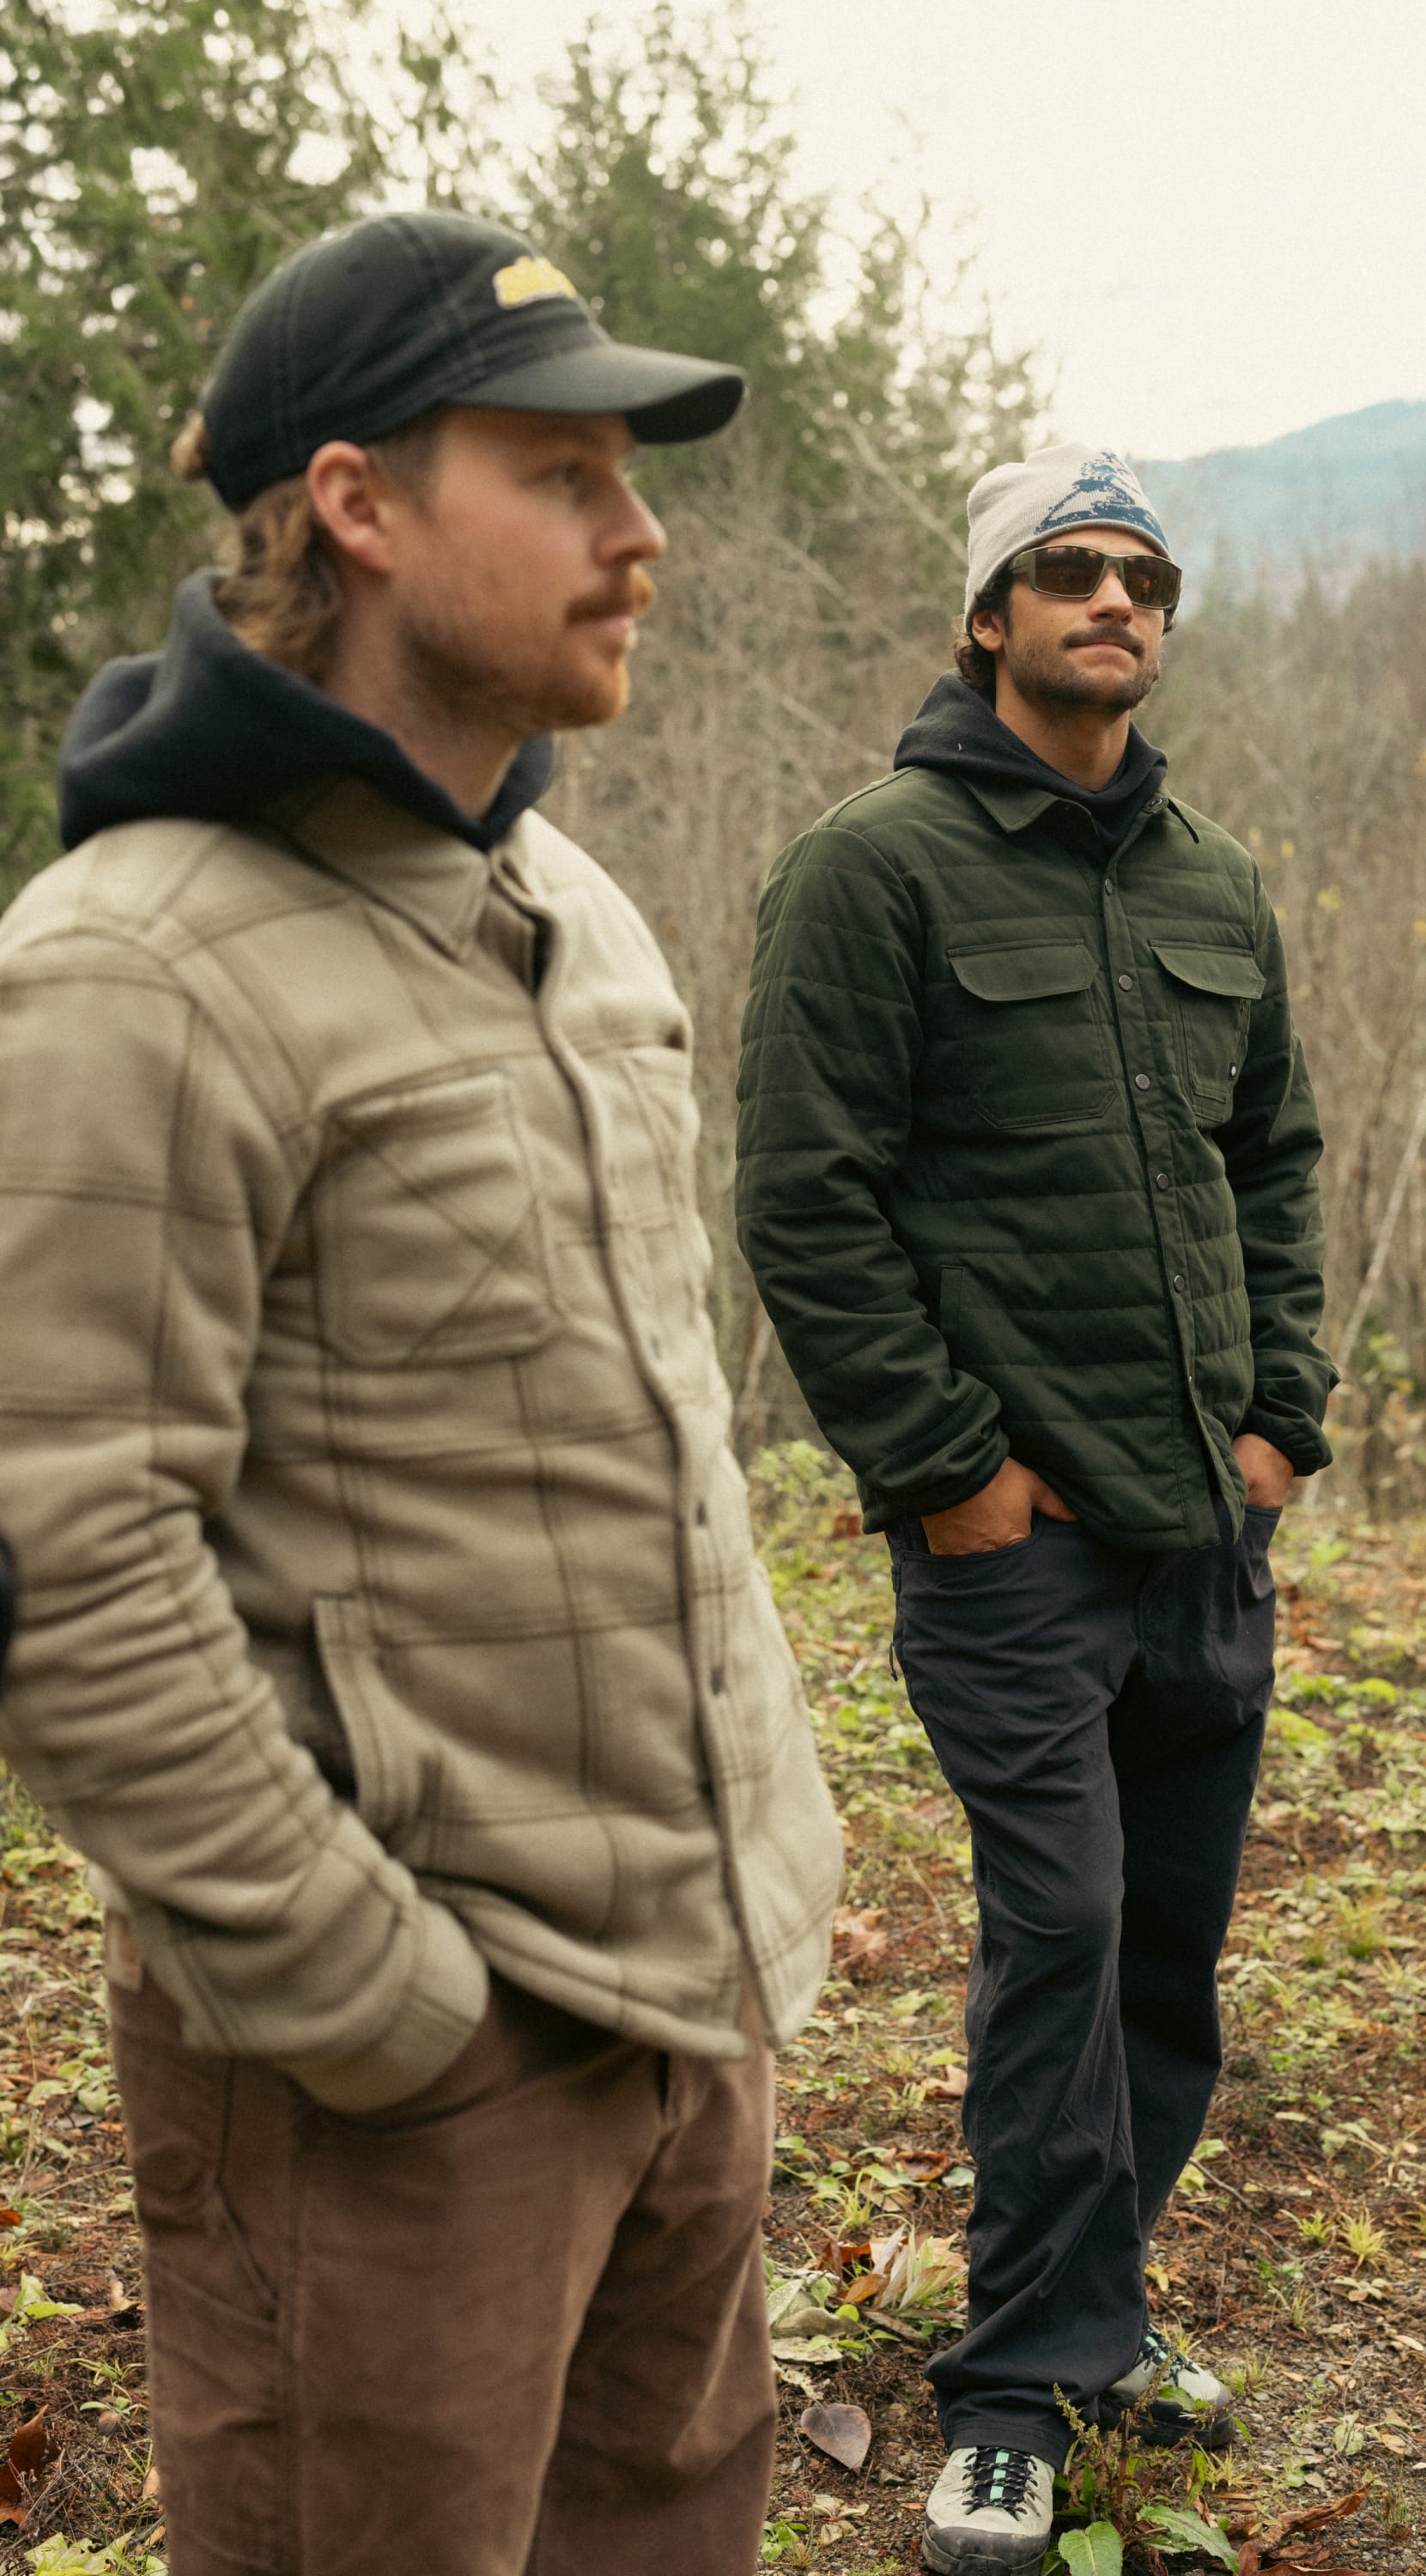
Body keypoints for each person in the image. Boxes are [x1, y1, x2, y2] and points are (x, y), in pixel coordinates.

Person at [0, 210, 843, 2576]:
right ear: (359, 504)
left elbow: (643, 1445)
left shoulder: (581, 924)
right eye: (563, 470)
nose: (639, 529)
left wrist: (757, 1872)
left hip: (687, 2012)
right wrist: (379, 2010)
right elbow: (63, 1553)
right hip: (394, 2096)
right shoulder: (135, 966)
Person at [735, 441, 1335, 2572]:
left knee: (1162, 1949)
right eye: (1065, 572)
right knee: (1058, 1930)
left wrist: (1281, 1424)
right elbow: (808, 1202)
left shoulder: (1213, 885)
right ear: (987, 616)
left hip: (1205, 1527)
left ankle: (1102, 2312)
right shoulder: (872, 870)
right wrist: (945, 1474)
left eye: (1140, 574)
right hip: (1015, 1540)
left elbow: (1270, 1161)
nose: (1110, 601)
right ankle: (1006, 2396)